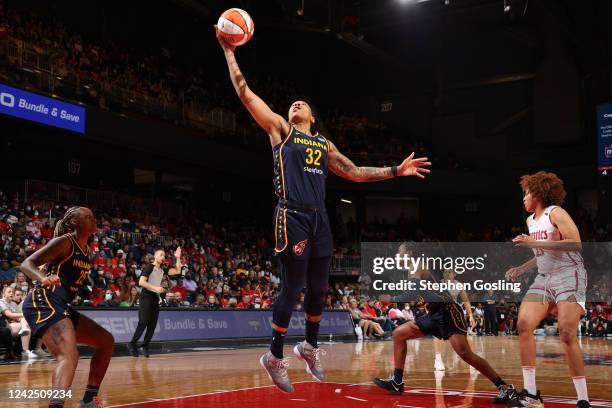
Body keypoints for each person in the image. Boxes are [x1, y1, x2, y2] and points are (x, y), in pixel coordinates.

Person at [216, 27, 431, 394]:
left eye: (302, 103)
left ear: (313, 116)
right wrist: (229, 51)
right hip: (291, 215)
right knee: (293, 287)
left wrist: (397, 170)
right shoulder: (281, 130)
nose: (295, 104)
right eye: (292, 103)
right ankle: (273, 355)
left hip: (319, 219)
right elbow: (244, 91)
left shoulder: (323, 143)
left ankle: (311, 347)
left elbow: (355, 172)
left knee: (318, 290)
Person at [373, 243, 514, 404]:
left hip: (448, 311)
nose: (397, 256)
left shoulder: (415, 265)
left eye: (400, 252)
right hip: (434, 313)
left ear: (409, 253)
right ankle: (397, 382)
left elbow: (412, 293)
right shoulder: (413, 270)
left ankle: (505, 388)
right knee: (399, 334)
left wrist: (390, 299)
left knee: (465, 353)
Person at [505, 171, 590, 408]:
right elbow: (542, 253)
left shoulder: (556, 213)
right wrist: (522, 268)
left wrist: (534, 243)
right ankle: (531, 395)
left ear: (539, 193)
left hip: (568, 275)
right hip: (544, 278)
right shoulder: (530, 221)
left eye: (526, 193)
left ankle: (583, 398)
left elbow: (575, 243)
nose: (523, 198)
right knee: (523, 324)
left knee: (566, 333)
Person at [20, 206, 114, 408]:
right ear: (75, 223)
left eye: (93, 215)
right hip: (43, 300)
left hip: (61, 304)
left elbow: (70, 281)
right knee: (69, 355)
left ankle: (89, 400)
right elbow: (27, 263)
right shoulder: (64, 242)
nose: (93, 219)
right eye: (88, 217)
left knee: (106, 342)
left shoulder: (87, 250)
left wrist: (91, 294)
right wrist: (43, 278)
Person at [128, 247, 181, 357]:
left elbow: (177, 270)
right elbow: (141, 282)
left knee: (152, 325)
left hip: (154, 299)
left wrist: (178, 258)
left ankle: (145, 346)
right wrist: (156, 288)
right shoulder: (149, 267)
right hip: (146, 297)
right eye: (161, 255)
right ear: (155, 256)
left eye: (164, 255)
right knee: (143, 322)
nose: (163, 257)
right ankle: (132, 344)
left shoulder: (162, 270)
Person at [433, 269, 476, 371]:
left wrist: (470, 315)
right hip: (440, 310)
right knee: (438, 334)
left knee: (464, 336)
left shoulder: (458, 285)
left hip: (453, 311)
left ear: (454, 274)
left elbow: (466, 301)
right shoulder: (437, 284)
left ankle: (472, 360)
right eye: (445, 272)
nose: (447, 274)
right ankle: (437, 359)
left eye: (450, 272)